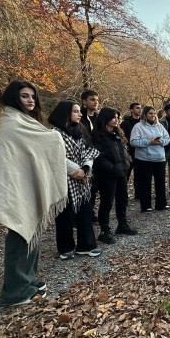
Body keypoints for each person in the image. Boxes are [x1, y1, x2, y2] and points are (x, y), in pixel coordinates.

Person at [0, 81, 67, 306]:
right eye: (24, 96)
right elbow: (47, 142)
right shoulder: (11, 123)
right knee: (20, 233)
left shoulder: (24, 121)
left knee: (32, 234)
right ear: (13, 98)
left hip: (28, 183)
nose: (30, 100)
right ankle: (15, 292)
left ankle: (28, 281)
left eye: (32, 96)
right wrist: (56, 138)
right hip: (17, 188)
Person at [48, 100, 101, 260]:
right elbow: (56, 157)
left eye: (79, 111)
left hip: (82, 177)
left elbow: (89, 150)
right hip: (63, 178)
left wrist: (85, 169)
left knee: (85, 210)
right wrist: (75, 171)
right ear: (65, 113)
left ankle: (86, 245)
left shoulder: (81, 129)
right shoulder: (53, 134)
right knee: (64, 214)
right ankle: (65, 247)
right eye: (75, 111)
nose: (79, 114)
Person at [92, 107, 138, 244]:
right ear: (105, 118)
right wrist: (112, 168)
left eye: (117, 117)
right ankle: (104, 230)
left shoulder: (117, 133)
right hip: (107, 174)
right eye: (114, 117)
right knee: (107, 202)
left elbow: (124, 150)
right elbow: (98, 156)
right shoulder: (97, 135)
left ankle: (122, 225)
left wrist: (128, 162)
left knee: (122, 199)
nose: (116, 120)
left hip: (121, 172)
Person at [130, 105, 170, 212]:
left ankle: (161, 204)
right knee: (145, 183)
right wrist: (148, 141)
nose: (152, 115)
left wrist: (161, 141)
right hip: (144, 159)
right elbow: (133, 141)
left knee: (160, 182)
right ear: (145, 114)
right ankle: (146, 205)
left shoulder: (160, 126)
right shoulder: (138, 126)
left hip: (159, 158)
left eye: (154, 113)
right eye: (150, 113)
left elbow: (167, 138)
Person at [80, 90, 100, 221]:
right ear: (84, 102)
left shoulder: (100, 117)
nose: (95, 102)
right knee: (84, 187)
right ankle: (81, 215)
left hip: (98, 155)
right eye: (92, 99)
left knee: (95, 187)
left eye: (97, 100)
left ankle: (91, 212)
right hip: (84, 156)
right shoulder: (79, 117)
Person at [120, 102, 142, 197]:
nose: (140, 110)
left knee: (139, 175)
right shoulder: (125, 123)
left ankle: (138, 194)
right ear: (131, 110)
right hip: (129, 152)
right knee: (126, 175)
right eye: (137, 108)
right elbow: (122, 136)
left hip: (140, 152)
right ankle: (123, 194)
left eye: (141, 108)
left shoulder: (143, 123)